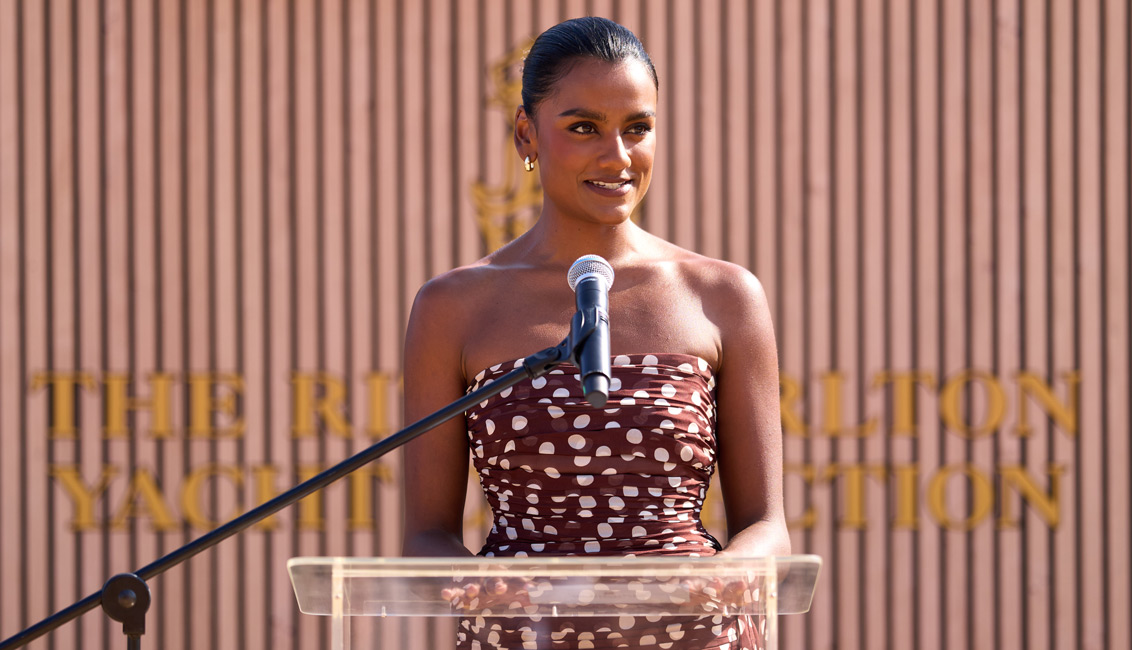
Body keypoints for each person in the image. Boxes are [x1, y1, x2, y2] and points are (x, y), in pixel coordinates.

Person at [401, 16, 790, 649]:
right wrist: (490, 589)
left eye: (637, 128)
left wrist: (716, 581)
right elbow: (426, 537)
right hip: (525, 635)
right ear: (526, 134)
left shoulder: (723, 296)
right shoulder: (452, 306)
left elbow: (768, 529)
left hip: (695, 634)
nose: (618, 156)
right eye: (584, 127)